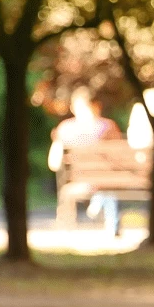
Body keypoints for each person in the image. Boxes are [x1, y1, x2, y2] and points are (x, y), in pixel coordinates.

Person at [50, 88, 124, 234]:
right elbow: (120, 157)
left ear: (73, 107)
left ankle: (71, 220)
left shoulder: (65, 128)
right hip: (106, 182)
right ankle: (110, 222)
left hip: (77, 182)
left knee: (100, 187)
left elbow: (53, 163)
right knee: (106, 187)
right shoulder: (107, 127)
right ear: (97, 105)